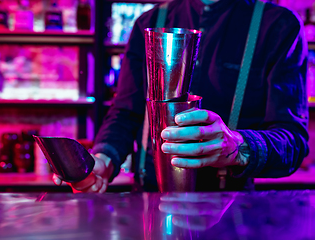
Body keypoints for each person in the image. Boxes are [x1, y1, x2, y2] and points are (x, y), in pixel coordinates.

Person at [53, 0, 309, 192]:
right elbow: (125, 113)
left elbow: (293, 141)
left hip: (233, 212)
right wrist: (103, 161)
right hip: (149, 201)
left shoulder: (277, 25)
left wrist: (237, 146)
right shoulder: (149, 21)